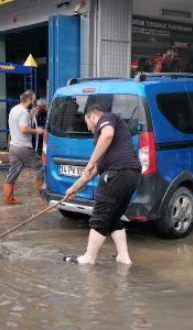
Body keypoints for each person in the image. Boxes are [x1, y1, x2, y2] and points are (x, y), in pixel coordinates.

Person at [63, 105, 142, 265]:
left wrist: (90, 162)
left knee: (100, 215)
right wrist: (72, 190)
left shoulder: (107, 118)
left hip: (116, 174)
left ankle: (88, 258)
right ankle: (123, 257)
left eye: (87, 123)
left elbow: (106, 135)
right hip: (131, 176)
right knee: (113, 217)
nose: (89, 128)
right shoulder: (110, 149)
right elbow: (90, 173)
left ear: (93, 117)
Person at [3, 90, 45, 205]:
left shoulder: (14, 109)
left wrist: (31, 115)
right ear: (29, 99)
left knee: (13, 173)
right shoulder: (23, 112)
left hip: (14, 146)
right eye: (34, 100)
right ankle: (44, 197)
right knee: (42, 167)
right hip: (23, 147)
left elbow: (18, 125)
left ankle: (9, 200)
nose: (34, 102)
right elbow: (23, 129)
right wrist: (38, 131)